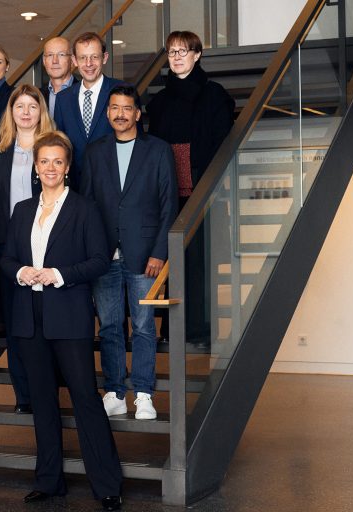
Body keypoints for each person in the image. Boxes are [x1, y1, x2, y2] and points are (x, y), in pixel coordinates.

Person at [0, 131, 123, 511]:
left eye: (57, 161)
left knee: (85, 398)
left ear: (67, 167)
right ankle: (48, 480)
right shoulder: (22, 210)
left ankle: (106, 484)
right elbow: (5, 258)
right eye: (44, 161)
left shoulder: (84, 209)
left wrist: (58, 274)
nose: (50, 168)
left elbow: (100, 260)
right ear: (35, 168)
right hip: (29, 319)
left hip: (69, 318)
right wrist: (22, 271)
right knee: (42, 401)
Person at [81, 84, 178, 419]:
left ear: (138, 113)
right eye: (113, 108)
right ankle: (114, 391)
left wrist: (159, 252)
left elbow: (169, 206)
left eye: (126, 108)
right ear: (107, 113)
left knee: (143, 326)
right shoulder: (94, 152)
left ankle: (144, 394)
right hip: (104, 257)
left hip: (144, 256)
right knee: (108, 325)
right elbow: (88, 207)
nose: (119, 114)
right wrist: (92, 253)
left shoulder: (158, 150)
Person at [146, 31, 235, 347]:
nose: (177, 56)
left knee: (200, 263)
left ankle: (201, 330)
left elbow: (221, 143)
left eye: (184, 50)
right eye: (171, 52)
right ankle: (172, 329)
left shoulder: (215, 95)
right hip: (168, 192)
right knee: (171, 261)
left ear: (198, 54)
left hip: (203, 189)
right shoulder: (158, 101)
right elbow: (153, 147)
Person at [0, 84, 55, 414]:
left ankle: (47, 389)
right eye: (19, 107)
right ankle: (23, 395)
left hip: (46, 243)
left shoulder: (53, 148)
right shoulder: (1, 150)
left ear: (41, 111)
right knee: (16, 325)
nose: (25, 112)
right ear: (10, 113)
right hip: (9, 248)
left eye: (32, 106)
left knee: (45, 322)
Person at [53, 32, 122, 189]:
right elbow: (60, 144)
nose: (88, 63)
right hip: (75, 187)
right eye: (83, 58)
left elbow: (134, 141)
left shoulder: (122, 91)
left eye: (94, 57)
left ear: (104, 58)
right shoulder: (63, 99)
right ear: (74, 61)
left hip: (113, 185)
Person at [39, 36, 76, 118]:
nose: (55, 61)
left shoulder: (84, 92)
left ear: (72, 60)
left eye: (61, 54)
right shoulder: (37, 96)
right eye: (50, 55)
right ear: (44, 61)